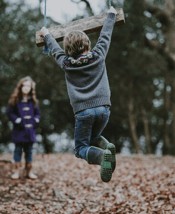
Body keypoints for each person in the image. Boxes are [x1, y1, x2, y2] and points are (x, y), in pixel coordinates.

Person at [40, 6, 117, 182]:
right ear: (88, 44)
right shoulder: (99, 55)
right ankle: (108, 146)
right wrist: (111, 14)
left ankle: (102, 156)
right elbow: (106, 34)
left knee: (81, 148)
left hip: (84, 112)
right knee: (94, 138)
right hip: (104, 109)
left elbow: (54, 49)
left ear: (69, 49)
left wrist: (46, 35)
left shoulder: (67, 63)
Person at [7, 76, 40, 180]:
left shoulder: (33, 101)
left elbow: (37, 114)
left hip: (30, 132)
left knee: (29, 151)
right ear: (20, 87)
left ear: (31, 88)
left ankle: (29, 171)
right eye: (24, 86)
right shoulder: (15, 100)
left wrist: (35, 120)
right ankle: (16, 171)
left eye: (28, 86)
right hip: (19, 131)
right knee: (17, 151)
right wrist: (17, 120)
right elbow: (9, 113)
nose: (26, 88)